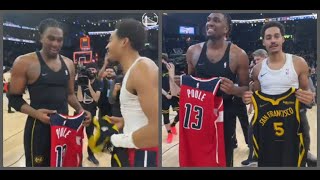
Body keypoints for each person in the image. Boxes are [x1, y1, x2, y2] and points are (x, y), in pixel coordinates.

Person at [8, 18, 91, 167]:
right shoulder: (24, 62)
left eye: (59, 40)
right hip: (38, 128)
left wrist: (81, 110)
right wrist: (37, 114)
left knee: (64, 164)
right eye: (51, 39)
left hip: (64, 128)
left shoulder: (69, 63)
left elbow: (70, 94)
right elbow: (14, 99)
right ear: (41, 37)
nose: (55, 44)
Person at [171, 13, 249, 167]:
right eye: (208, 20)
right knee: (198, 154)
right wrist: (183, 83)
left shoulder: (239, 55)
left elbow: (246, 88)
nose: (210, 23)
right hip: (199, 113)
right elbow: (191, 82)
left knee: (224, 158)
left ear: (226, 29)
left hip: (225, 113)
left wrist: (234, 89)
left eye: (216, 20)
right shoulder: (193, 51)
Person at [242, 21, 315, 167]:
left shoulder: (298, 62)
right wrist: (247, 98)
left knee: (298, 157)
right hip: (268, 123)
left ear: (283, 38)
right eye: (268, 37)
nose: (273, 40)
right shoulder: (257, 70)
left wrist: (310, 98)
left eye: (276, 36)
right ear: (263, 42)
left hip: (295, 120)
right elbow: (255, 97)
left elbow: (308, 94)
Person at [106, 19, 159, 167]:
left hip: (144, 154)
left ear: (124, 42)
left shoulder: (142, 68)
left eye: (110, 40)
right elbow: (144, 118)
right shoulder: (134, 70)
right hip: (135, 149)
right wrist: (126, 122)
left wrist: (114, 139)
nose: (107, 45)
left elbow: (155, 132)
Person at [241, 49, 268, 166]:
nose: (256, 62)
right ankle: (253, 157)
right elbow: (253, 91)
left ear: (265, 57)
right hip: (260, 109)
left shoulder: (273, 71)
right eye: (255, 60)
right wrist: (251, 105)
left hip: (274, 109)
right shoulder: (256, 72)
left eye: (258, 59)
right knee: (252, 131)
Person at [76, 63, 102, 165]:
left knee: (90, 135)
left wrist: (89, 85)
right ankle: (78, 157)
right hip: (80, 112)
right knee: (77, 136)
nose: (91, 71)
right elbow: (80, 99)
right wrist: (79, 85)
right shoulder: (81, 82)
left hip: (91, 112)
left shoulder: (98, 83)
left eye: (93, 69)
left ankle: (91, 155)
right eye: (89, 69)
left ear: (96, 71)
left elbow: (96, 98)